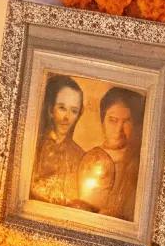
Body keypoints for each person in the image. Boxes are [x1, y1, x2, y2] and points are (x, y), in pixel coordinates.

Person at [78, 87, 143, 220]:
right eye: (113, 120)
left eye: (126, 121)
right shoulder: (91, 160)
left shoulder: (140, 163)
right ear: (103, 121)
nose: (119, 129)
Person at [30, 74, 84, 206]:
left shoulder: (80, 157)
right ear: (50, 110)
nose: (67, 117)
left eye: (74, 111)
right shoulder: (32, 147)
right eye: (62, 108)